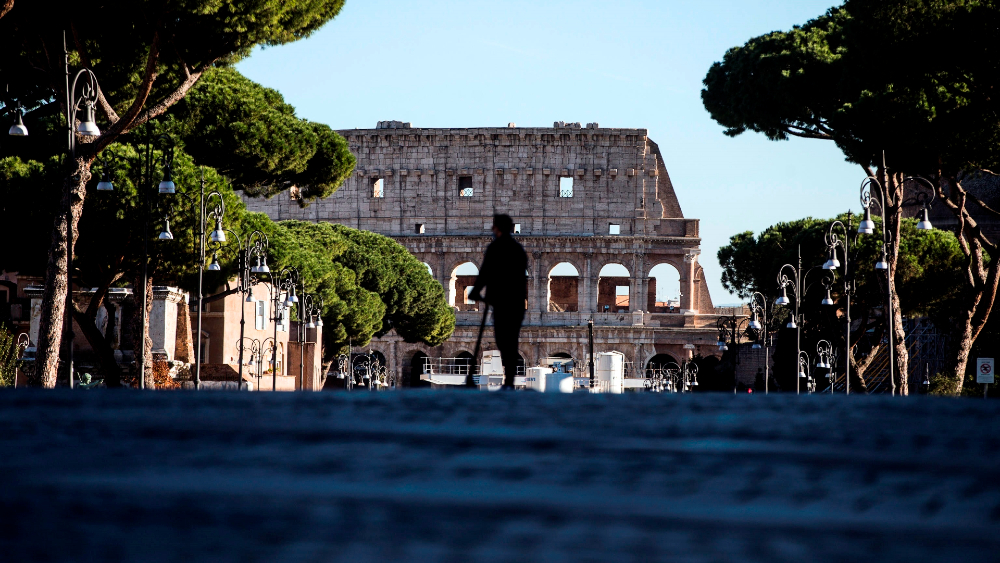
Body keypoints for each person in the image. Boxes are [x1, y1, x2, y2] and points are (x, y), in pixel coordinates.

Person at [469, 214, 527, 389]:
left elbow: (485, 273)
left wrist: (475, 292)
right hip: (517, 303)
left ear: (498, 228)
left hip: (502, 303)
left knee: (502, 340)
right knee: (512, 339)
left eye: (494, 227)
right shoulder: (518, 249)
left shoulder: (495, 248)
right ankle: (509, 379)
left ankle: (508, 379)